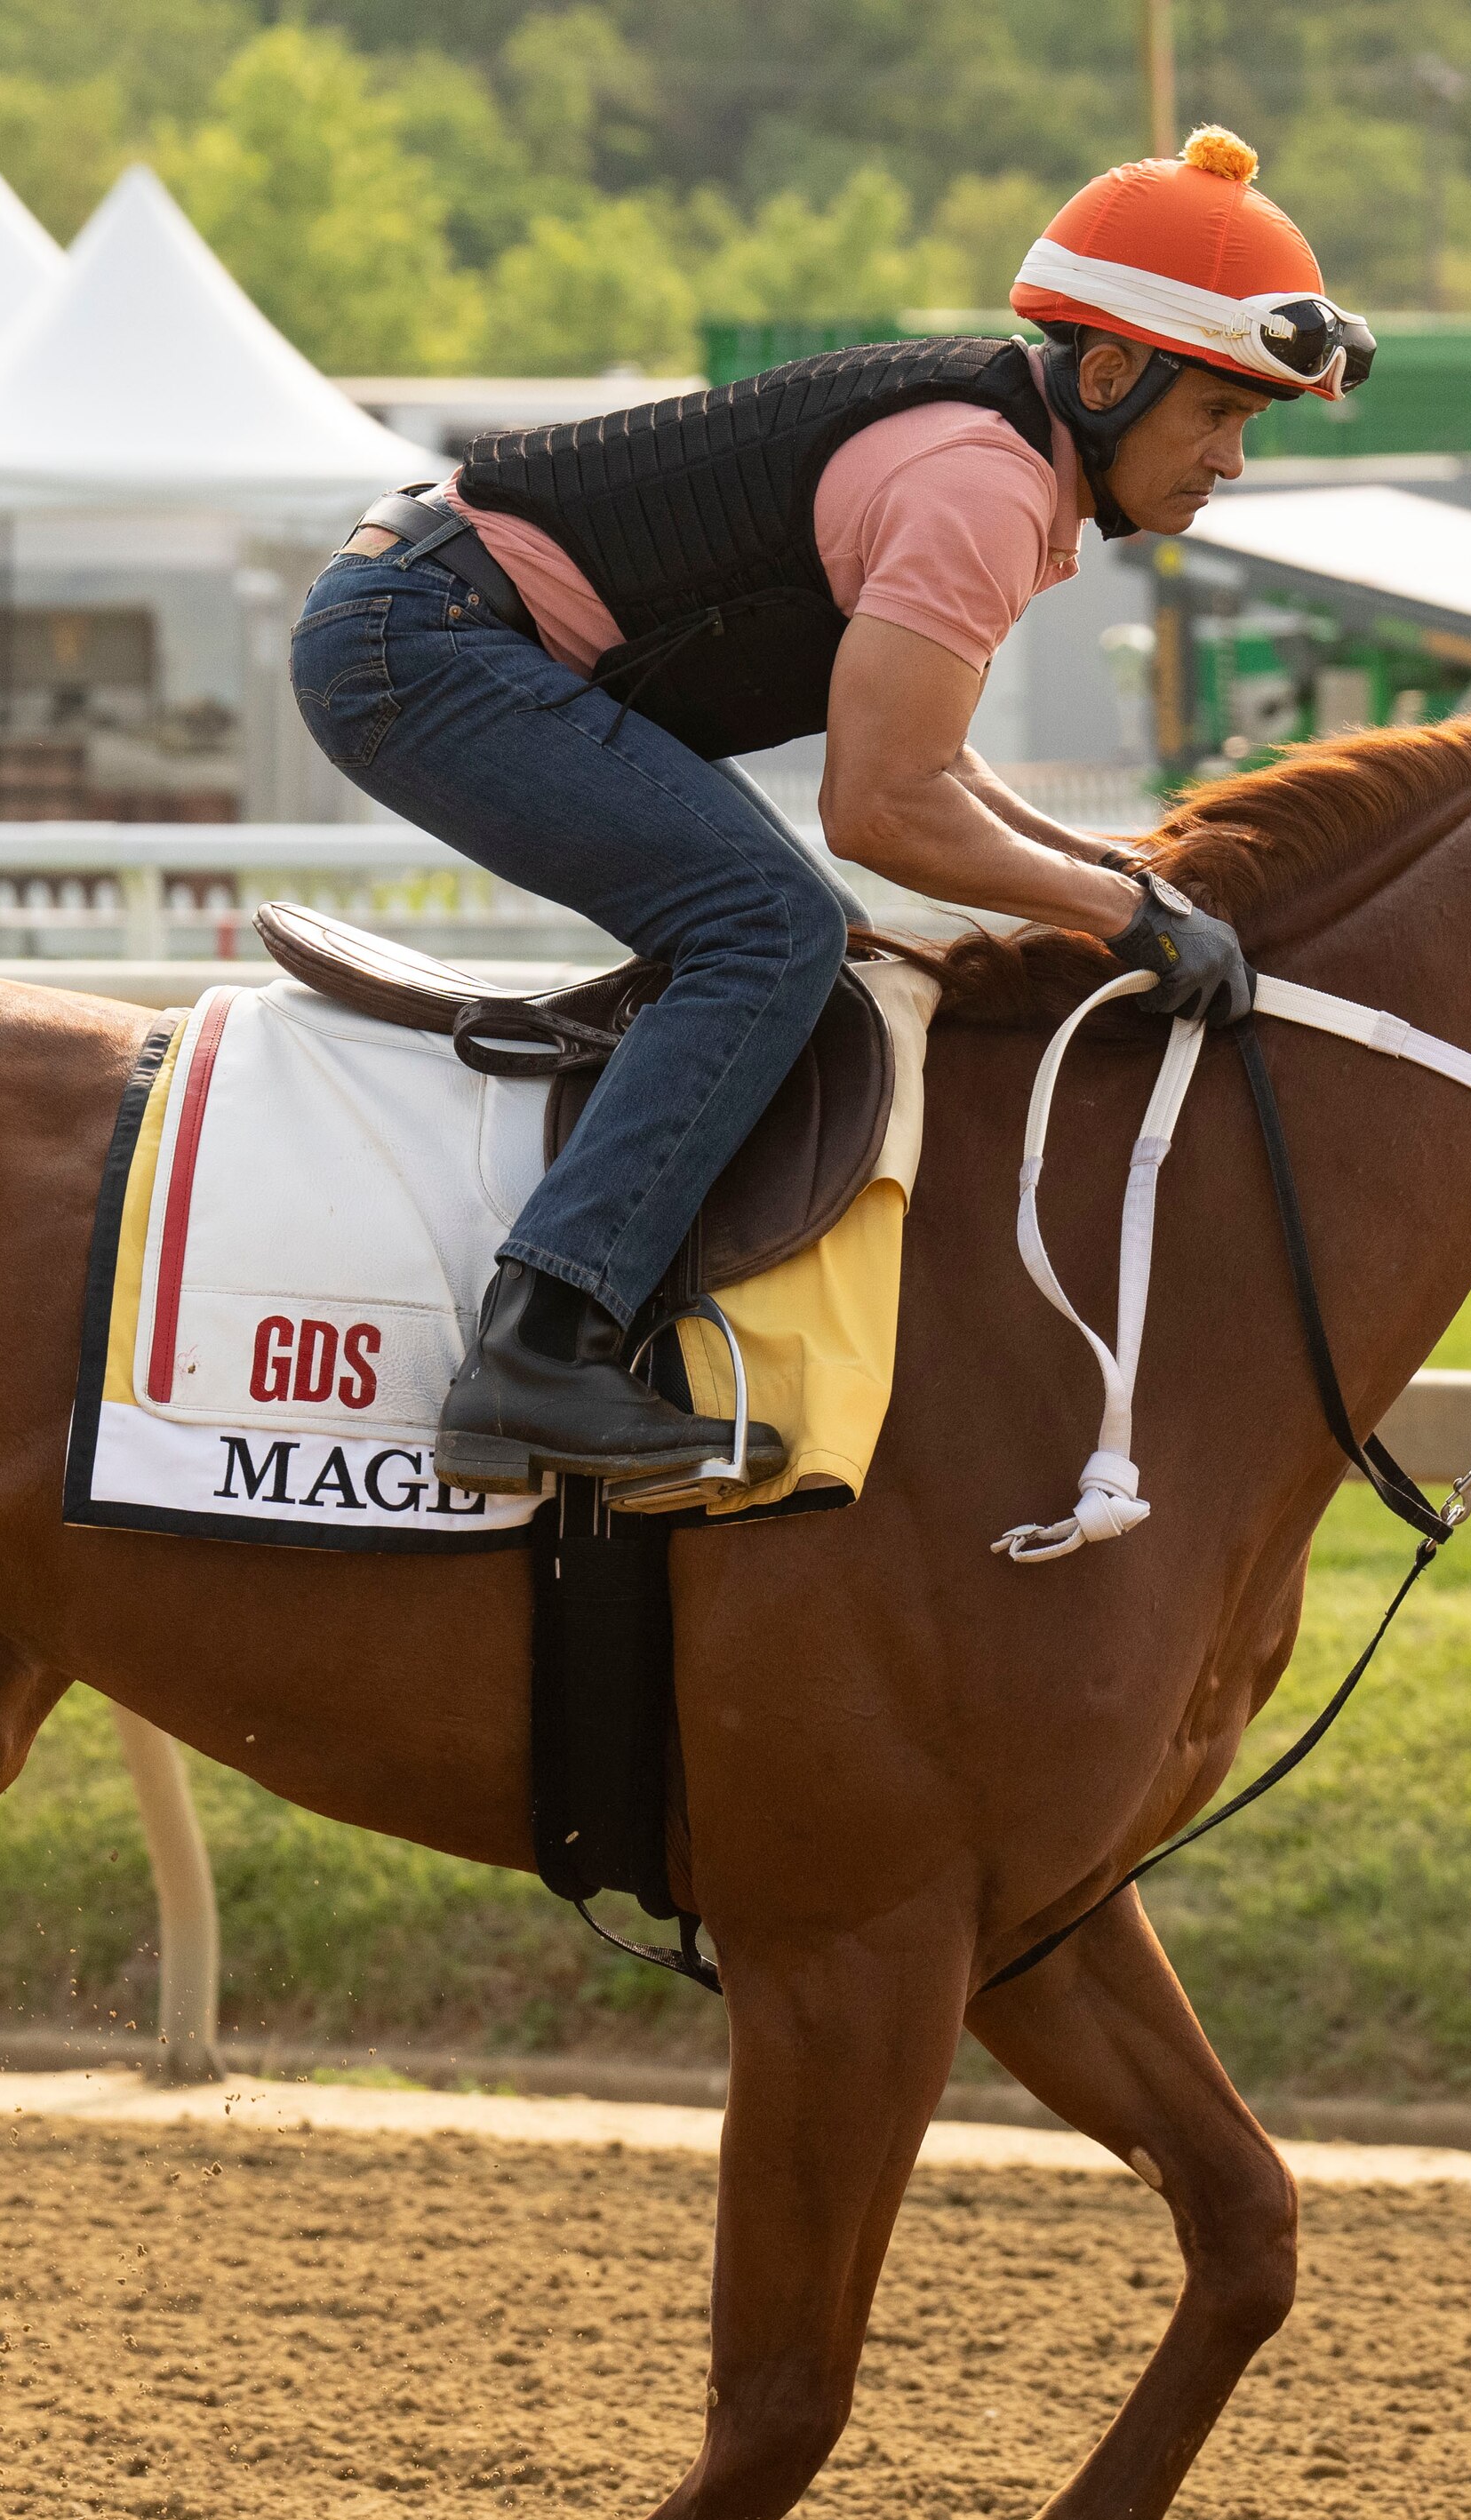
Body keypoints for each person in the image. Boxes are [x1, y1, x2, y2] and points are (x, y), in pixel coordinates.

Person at [291, 126, 1372, 1495]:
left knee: (800, 932)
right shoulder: (978, 487)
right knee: (773, 928)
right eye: (1216, 414)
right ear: (1108, 376)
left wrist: (1113, 876)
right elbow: (881, 808)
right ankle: (541, 1340)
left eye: (1246, 424)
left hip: (430, 618)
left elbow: (926, 763)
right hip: (425, 637)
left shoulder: (1004, 458)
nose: (1231, 460)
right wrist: (1121, 915)